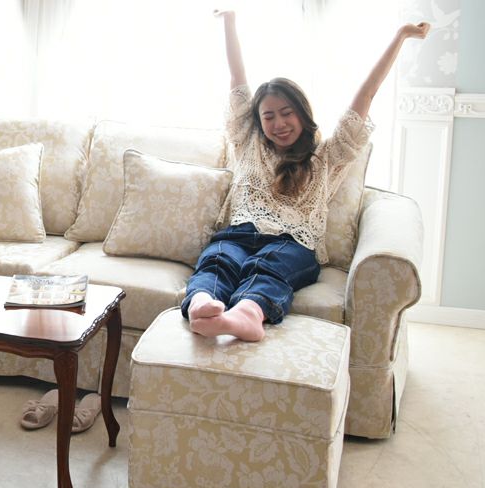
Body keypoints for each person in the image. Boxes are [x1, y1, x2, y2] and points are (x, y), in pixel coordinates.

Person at [182, 10, 430, 341]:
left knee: (268, 266)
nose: (278, 123)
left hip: (292, 244)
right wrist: (229, 21)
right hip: (238, 234)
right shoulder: (247, 142)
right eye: (269, 116)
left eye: (287, 113)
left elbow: (366, 95)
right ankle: (202, 305)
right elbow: (237, 79)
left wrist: (400, 36)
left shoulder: (328, 157)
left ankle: (247, 314)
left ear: (302, 114)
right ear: (258, 121)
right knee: (217, 259)